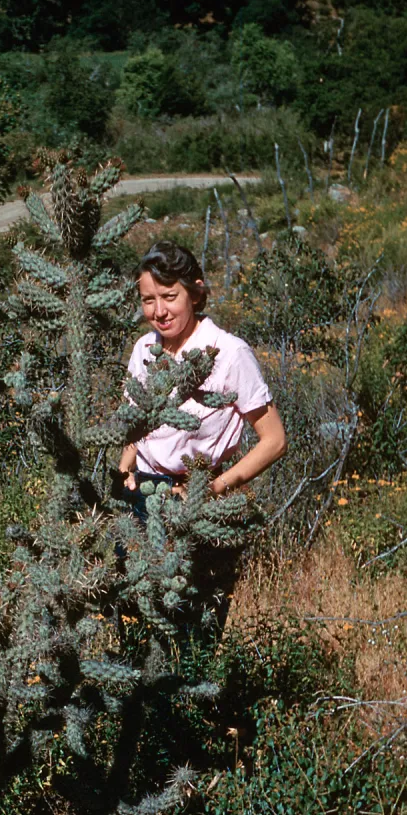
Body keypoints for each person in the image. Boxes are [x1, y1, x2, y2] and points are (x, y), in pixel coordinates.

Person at [118, 239, 287, 627]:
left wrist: (213, 489)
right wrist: (124, 469)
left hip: (204, 501)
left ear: (195, 292)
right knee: (135, 622)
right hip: (142, 498)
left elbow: (274, 440)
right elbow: (134, 417)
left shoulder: (228, 352)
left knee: (195, 631)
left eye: (169, 296)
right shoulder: (145, 348)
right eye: (148, 300)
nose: (159, 311)